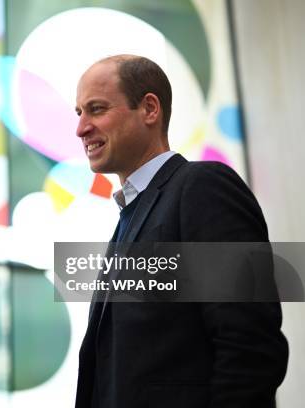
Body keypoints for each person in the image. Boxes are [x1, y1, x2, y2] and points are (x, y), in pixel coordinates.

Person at [73, 55, 288, 408]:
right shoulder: (128, 215)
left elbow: (250, 343)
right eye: (78, 113)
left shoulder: (202, 187)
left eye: (96, 109)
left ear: (150, 109)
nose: (81, 128)